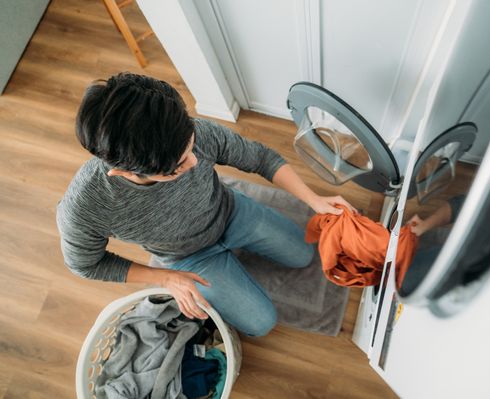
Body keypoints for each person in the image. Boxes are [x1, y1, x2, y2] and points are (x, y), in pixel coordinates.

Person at [56, 72, 356, 336]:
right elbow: (85, 265)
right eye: (177, 166)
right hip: (187, 258)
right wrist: (165, 277)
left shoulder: (194, 132)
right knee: (261, 323)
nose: (196, 161)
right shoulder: (85, 206)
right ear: (123, 173)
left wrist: (313, 199)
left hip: (229, 211)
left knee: (304, 255)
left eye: (190, 147)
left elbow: (260, 157)